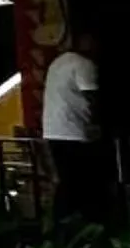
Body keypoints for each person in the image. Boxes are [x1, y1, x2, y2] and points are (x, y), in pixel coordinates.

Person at [43, 32, 112, 222]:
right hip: (76, 132)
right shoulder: (84, 65)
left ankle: (60, 226)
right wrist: (98, 125)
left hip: (54, 131)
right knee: (85, 183)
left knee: (67, 183)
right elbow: (92, 97)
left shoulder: (58, 63)